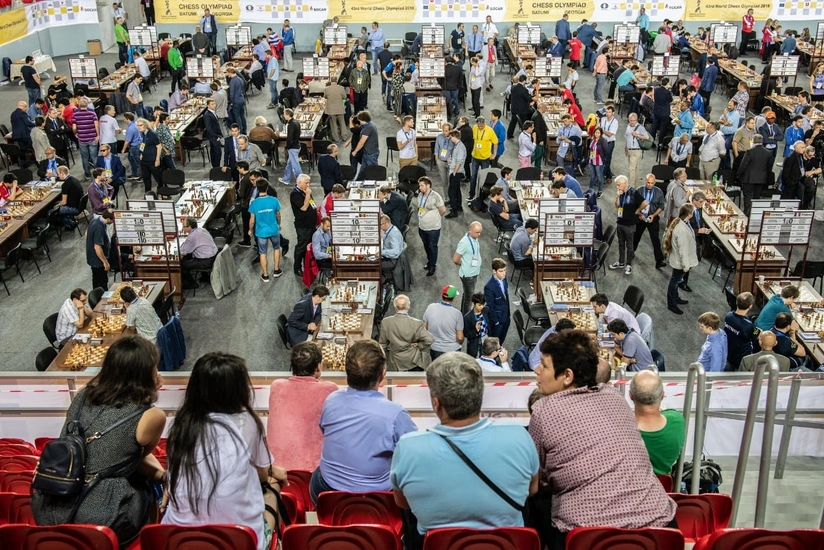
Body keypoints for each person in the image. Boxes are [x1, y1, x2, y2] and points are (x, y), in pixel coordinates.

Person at [529, 330, 677, 548]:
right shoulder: (615, 397)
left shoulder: (543, 410)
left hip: (588, 538)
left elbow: (538, 480)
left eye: (544, 365)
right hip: (660, 531)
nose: (537, 370)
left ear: (567, 376)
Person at [32, 336, 166, 546]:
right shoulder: (151, 415)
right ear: (146, 373)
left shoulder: (82, 395)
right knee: (149, 487)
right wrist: (162, 476)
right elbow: (139, 457)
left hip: (48, 506)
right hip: (101, 516)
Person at [392, 352, 537, 540]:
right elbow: (532, 490)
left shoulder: (408, 448)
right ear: (479, 396)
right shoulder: (520, 437)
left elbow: (403, 502)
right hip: (507, 543)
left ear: (436, 403)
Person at [163, 352, 284, 550]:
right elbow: (263, 474)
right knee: (273, 490)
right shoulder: (248, 423)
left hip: (180, 539)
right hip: (239, 540)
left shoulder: (181, 424)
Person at [312, 340, 417, 503]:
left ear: (347, 374)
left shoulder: (331, 400)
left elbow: (324, 431)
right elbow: (413, 455)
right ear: (382, 374)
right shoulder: (395, 414)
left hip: (328, 491)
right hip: (378, 497)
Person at [267, 342, 338, 471]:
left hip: (276, 471)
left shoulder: (276, 386)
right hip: (313, 473)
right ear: (318, 367)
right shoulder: (329, 389)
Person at [630, 370, 686, 476]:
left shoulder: (620, 429)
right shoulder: (676, 420)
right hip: (664, 489)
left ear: (631, 395)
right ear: (662, 396)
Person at [379, 294, 434, 372]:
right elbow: (429, 339)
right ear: (408, 306)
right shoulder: (416, 323)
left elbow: (383, 344)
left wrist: (382, 362)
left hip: (396, 360)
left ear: (395, 307)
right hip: (413, 359)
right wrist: (419, 345)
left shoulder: (386, 322)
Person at [663, 203, 698, 315]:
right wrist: (686, 265)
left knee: (676, 281)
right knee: (674, 281)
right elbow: (683, 250)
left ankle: (676, 298)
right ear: (689, 214)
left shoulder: (682, 222)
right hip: (680, 262)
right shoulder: (681, 230)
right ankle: (671, 304)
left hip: (679, 260)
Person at [249, 179, 283, 282]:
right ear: (267, 187)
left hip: (261, 232)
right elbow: (278, 214)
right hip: (273, 230)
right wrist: (278, 224)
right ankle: (276, 270)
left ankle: (265, 275)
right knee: (276, 248)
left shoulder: (254, 203)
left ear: (257, 189)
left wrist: (250, 230)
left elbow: (252, 220)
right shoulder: (274, 200)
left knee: (262, 252)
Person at [610, 175, 644, 276]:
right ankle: (621, 262)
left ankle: (628, 264)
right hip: (620, 222)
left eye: (618, 185)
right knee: (621, 243)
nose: (617, 187)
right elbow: (617, 206)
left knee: (629, 245)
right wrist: (618, 196)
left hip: (630, 225)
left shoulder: (634, 192)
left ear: (624, 183)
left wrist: (638, 210)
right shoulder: (621, 193)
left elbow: (645, 203)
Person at [633, 174, 667, 269]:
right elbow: (634, 205)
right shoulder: (639, 190)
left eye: (652, 183)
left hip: (653, 218)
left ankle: (659, 261)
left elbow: (661, 206)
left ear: (655, 182)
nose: (650, 185)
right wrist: (639, 214)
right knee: (636, 237)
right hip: (640, 218)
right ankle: (631, 253)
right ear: (645, 181)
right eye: (648, 182)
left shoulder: (659, 192)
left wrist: (653, 215)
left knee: (655, 240)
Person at [423, 286, 465, 360]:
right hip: (453, 349)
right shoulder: (457, 314)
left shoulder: (430, 307)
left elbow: (424, 329)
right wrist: (460, 342)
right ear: (454, 298)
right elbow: (460, 337)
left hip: (435, 348)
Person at [737, 134, 773, 214]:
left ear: (753, 141)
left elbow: (743, 165)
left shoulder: (750, 151)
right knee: (756, 199)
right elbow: (769, 167)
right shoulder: (768, 153)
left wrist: (738, 175)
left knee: (748, 198)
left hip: (749, 179)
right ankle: (754, 215)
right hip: (761, 179)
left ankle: (747, 215)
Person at [417, 177, 446, 277]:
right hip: (422, 227)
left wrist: (434, 219)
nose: (419, 187)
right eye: (419, 185)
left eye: (422, 185)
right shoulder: (420, 195)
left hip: (433, 228)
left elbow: (443, 210)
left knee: (432, 246)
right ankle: (430, 261)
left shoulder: (436, 196)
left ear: (428, 185)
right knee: (426, 245)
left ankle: (432, 266)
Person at [724, 292, 761, 371]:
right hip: (741, 358)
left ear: (737, 302)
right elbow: (757, 337)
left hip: (728, 351)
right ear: (750, 306)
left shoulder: (728, 316)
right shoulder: (748, 326)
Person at [289, 174, 317, 276]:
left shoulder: (305, 191)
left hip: (311, 224)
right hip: (303, 226)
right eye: (306, 183)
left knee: (309, 246)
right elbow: (304, 208)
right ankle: (297, 267)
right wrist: (308, 194)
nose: (308, 185)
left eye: (308, 182)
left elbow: (312, 204)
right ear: (299, 182)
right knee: (301, 247)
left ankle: (308, 265)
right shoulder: (295, 194)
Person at [179, 216, 219, 289]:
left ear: (190, 227)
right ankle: (205, 277)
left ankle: (191, 283)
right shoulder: (202, 229)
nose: (183, 228)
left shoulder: (192, 237)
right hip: (215, 256)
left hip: (206, 261)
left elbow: (182, 252)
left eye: (184, 227)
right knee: (193, 255)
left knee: (181, 264)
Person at [453, 222, 483, 313]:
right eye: (477, 232)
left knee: (466, 295)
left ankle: (463, 313)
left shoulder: (474, 238)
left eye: (480, 232)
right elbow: (455, 259)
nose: (479, 234)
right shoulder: (464, 243)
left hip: (473, 273)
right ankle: (465, 319)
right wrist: (464, 264)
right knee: (469, 299)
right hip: (468, 275)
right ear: (470, 231)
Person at [483, 258, 510, 343]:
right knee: (494, 344)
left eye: (505, 270)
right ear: (494, 271)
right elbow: (490, 307)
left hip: (506, 317)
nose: (504, 273)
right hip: (497, 321)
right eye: (501, 271)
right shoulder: (489, 286)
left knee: (501, 342)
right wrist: (496, 322)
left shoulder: (504, 279)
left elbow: (505, 297)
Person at [136, 118, 162, 192]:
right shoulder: (142, 134)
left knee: (158, 178)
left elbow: (159, 146)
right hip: (144, 161)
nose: (139, 127)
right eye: (138, 125)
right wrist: (141, 153)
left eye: (140, 125)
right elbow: (143, 144)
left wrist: (157, 159)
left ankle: (162, 192)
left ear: (146, 125)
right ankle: (148, 195)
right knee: (146, 179)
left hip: (152, 160)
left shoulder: (152, 134)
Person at [352, 110, 380, 179]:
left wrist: (355, 151)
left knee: (372, 172)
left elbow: (362, 142)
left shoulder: (368, 128)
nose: (359, 122)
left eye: (360, 120)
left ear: (362, 119)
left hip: (371, 154)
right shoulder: (369, 125)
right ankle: (357, 184)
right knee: (362, 170)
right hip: (367, 153)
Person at [463, 294, 491, 358]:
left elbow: (489, 323)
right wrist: (475, 330)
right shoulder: (467, 318)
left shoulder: (486, 310)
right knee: (472, 358)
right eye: (479, 305)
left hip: (486, 337)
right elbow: (466, 334)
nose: (482, 307)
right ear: (473, 303)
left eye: (483, 304)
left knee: (485, 356)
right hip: (474, 341)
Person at [11, 101, 35, 169]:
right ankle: (37, 162)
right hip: (25, 135)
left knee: (22, 150)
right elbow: (28, 123)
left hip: (17, 135)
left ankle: (23, 165)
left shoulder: (13, 114)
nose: (26, 108)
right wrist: (36, 123)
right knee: (33, 147)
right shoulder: (23, 113)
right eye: (25, 106)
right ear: (21, 106)